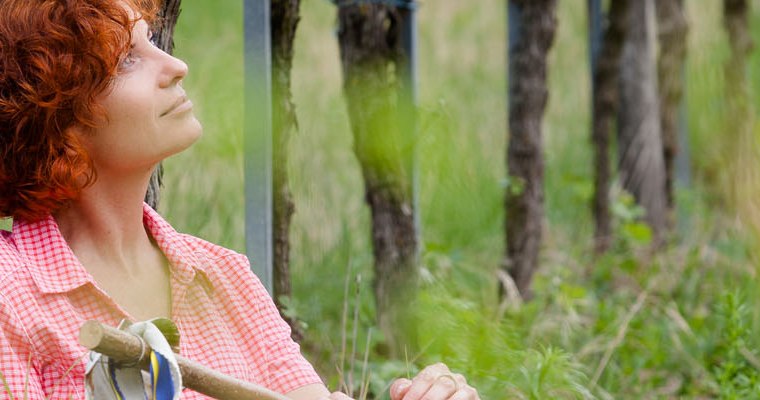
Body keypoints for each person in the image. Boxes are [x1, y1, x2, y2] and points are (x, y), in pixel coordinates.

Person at [0, 0, 480, 399]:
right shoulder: (11, 294)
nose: (175, 65)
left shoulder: (225, 276)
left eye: (153, 42)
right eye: (127, 59)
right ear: (49, 111)